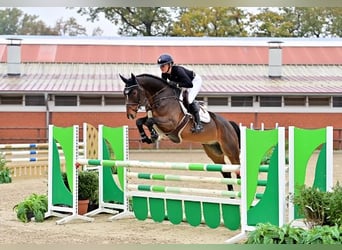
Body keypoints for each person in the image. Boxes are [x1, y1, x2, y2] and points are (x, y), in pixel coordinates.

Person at [157, 53, 203, 133]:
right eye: (160, 66)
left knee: (189, 99)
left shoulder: (178, 70)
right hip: (183, 83)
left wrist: (176, 84)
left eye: (163, 65)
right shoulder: (164, 74)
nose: (161, 68)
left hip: (194, 82)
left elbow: (189, 84)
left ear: (170, 64)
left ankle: (199, 124)